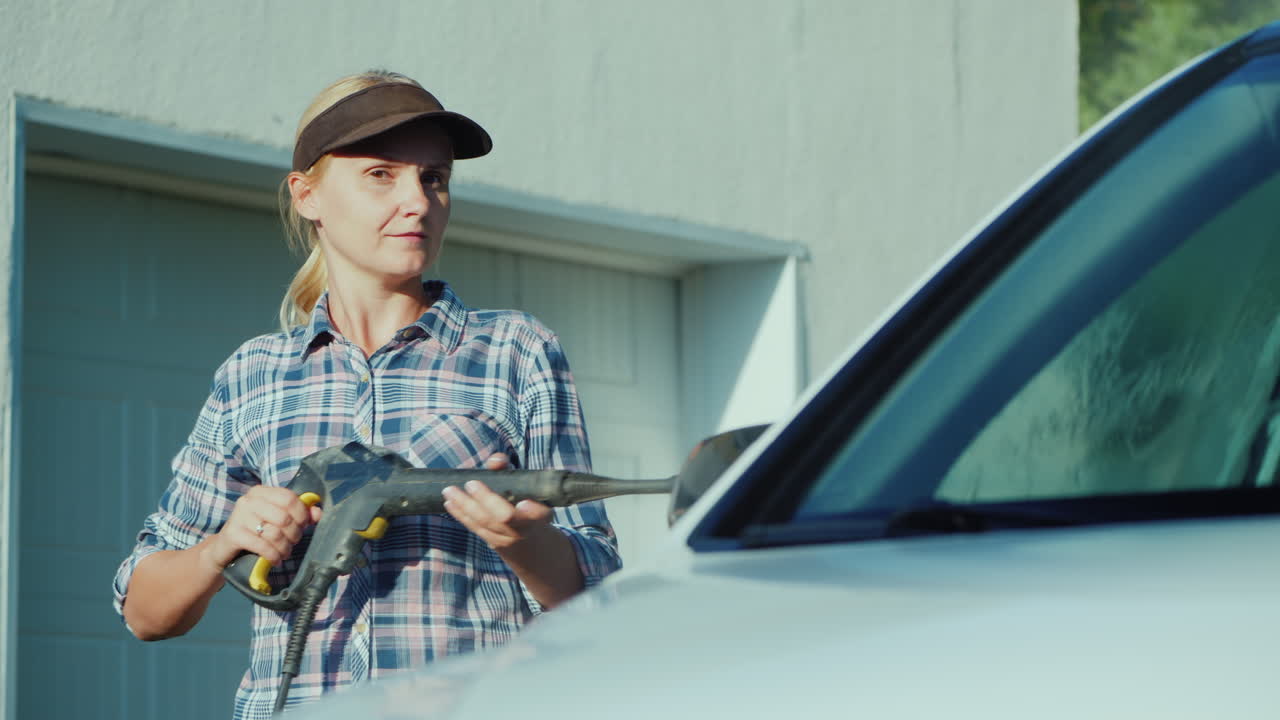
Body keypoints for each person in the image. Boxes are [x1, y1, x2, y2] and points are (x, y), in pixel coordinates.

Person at [111, 70, 621, 719]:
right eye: (382, 174)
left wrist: (523, 542)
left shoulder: (516, 353)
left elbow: (601, 588)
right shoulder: (253, 376)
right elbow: (145, 610)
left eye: (434, 178)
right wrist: (223, 546)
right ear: (307, 195)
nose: (418, 201)